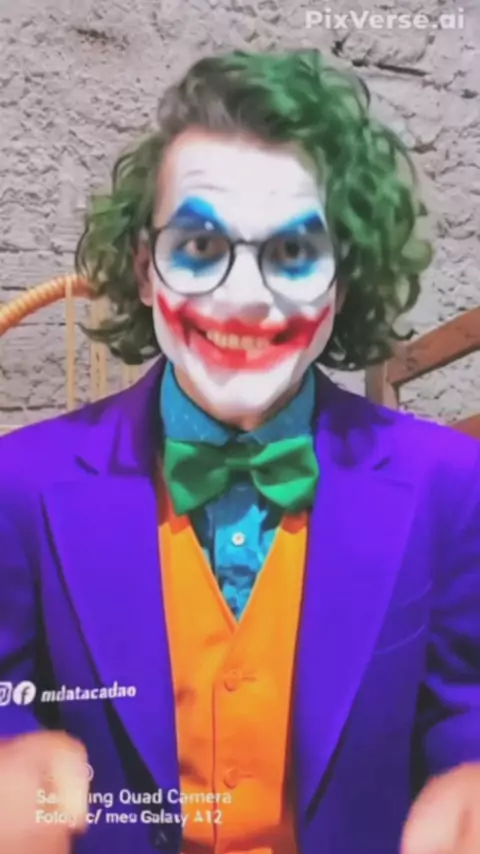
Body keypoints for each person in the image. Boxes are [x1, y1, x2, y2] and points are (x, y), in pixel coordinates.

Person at [0, 49, 479, 854]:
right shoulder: (18, 485)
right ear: (146, 271)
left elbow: (466, 713)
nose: (245, 297)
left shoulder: (451, 486)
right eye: (198, 247)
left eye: (293, 255)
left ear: (343, 283)